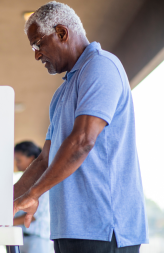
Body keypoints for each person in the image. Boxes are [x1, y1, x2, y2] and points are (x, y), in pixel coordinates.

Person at [13, 2, 148, 253]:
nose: (36, 54)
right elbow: (45, 160)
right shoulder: (62, 92)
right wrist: (7, 200)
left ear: (62, 33)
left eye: (38, 44)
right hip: (69, 228)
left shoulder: (100, 66)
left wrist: (34, 194)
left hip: (105, 227)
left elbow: (83, 140)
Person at [13, 141, 51, 253]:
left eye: (19, 160)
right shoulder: (23, 183)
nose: (16, 164)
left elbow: (36, 215)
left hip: (36, 240)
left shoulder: (43, 181)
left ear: (31, 158)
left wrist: (7, 222)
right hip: (22, 239)